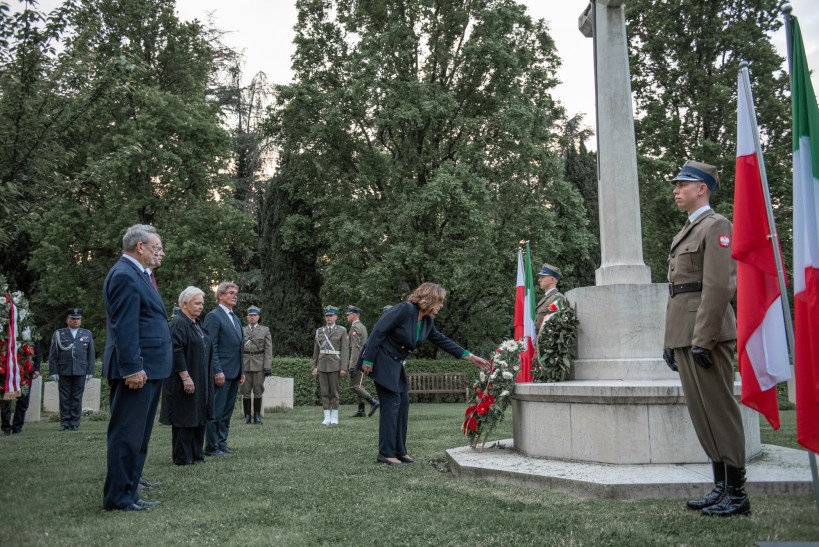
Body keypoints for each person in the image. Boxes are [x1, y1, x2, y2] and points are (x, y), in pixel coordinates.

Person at [662, 160, 749, 517]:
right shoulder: (686, 230)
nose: (676, 190)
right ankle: (720, 487)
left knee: (720, 410)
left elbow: (717, 287)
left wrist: (705, 338)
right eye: (676, 185)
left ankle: (738, 493)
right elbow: (677, 291)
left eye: (683, 184)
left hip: (706, 333)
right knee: (702, 413)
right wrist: (670, 340)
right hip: (685, 331)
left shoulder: (717, 227)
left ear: (702, 188)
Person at [360, 283, 490, 466]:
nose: (441, 306)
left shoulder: (427, 321)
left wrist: (470, 356)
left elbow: (441, 340)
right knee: (391, 404)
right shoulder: (405, 309)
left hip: (396, 364)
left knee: (403, 404)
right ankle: (386, 454)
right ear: (429, 299)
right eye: (440, 301)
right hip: (381, 360)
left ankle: (399, 451)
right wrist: (368, 359)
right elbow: (379, 330)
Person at [102, 224, 172, 512]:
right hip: (136, 370)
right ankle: (118, 497)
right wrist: (132, 367)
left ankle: (130, 491)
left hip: (150, 368)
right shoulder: (124, 275)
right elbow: (125, 327)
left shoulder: (138, 275)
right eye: (156, 247)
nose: (160, 252)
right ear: (139, 246)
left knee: (139, 437)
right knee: (126, 435)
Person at [159, 287, 214, 465]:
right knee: (184, 416)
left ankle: (196, 454)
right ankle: (183, 457)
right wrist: (185, 376)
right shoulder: (178, 323)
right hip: (183, 379)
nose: (201, 307)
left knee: (197, 414)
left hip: (199, 378)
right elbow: (176, 351)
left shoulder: (196, 324)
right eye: (197, 303)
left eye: (202, 303)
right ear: (184, 304)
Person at [203, 282, 245, 456]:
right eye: (230, 293)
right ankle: (211, 446)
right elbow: (211, 345)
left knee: (227, 412)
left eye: (236, 293)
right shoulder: (214, 316)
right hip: (221, 373)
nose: (234, 296)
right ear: (220, 296)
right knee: (216, 411)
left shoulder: (235, 318)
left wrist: (241, 371)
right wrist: (216, 370)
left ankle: (222, 442)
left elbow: (239, 347)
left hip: (234, 372)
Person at [48, 308, 95, 431]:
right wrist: (53, 371)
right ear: (67, 320)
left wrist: (90, 371)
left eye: (78, 319)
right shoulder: (59, 333)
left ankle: (74, 423)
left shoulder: (86, 334)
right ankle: (64, 423)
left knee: (77, 398)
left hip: (80, 370)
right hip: (64, 370)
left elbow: (91, 354)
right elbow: (53, 355)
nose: (76, 321)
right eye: (73, 319)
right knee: (64, 398)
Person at [311, 306, 348, 425]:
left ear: (336, 317)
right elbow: (316, 351)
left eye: (331, 316)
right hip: (322, 365)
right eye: (327, 316)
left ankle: (335, 416)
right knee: (324, 392)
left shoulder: (342, 330)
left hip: (335, 365)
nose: (329, 318)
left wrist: (343, 367)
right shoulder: (319, 331)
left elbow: (345, 351)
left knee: (334, 392)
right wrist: (314, 366)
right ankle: (327, 416)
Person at [1, 340, 41, 435]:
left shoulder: (30, 328)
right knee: (7, 399)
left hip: (26, 368)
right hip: (7, 369)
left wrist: (37, 368)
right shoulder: (5, 327)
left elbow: (37, 350)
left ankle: (17, 426)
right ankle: (6, 427)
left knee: (23, 399)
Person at [240, 306, 272, 424]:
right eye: (250, 315)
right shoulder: (241, 329)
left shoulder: (265, 330)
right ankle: (247, 416)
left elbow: (268, 350)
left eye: (254, 315)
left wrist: (267, 366)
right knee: (245, 390)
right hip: (244, 363)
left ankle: (257, 416)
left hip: (259, 364)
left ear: (258, 317)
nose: (252, 317)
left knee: (258, 389)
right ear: (247, 317)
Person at [346, 305, 379, 418]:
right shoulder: (361, 326)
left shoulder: (355, 328)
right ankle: (361, 410)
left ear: (353, 315)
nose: (347, 316)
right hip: (361, 360)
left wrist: (352, 365)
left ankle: (373, 402)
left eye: (348, 314)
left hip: (358, 361)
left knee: (354, 386)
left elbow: (356, 348)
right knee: (358, 385)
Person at [534, 264, 564, 330]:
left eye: (542, 277)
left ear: (552, 280)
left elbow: (557, 327)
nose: (539, 280)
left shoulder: (557, 298)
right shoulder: (546, 297)